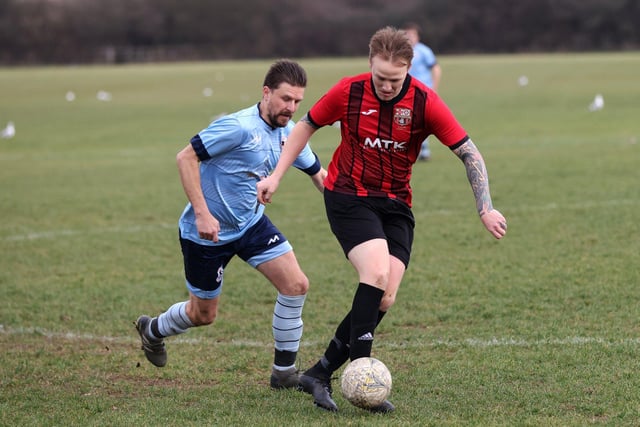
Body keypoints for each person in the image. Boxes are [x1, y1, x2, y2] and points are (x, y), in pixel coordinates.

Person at [256, 27, 507, 413]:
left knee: (385, 295)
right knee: (374, 274)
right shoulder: (348, 91)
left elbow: (469, 153)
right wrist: (275, 175)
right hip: (348, 197)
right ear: (369, 65)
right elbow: (304, 127)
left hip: (396, 204)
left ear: (408, 69)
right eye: (380, 78)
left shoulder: (424, 102)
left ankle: (319, 372)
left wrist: (485, 207)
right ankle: (363, 377)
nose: (387, 86)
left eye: (395, 79)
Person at [135, 59, 327, 391]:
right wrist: (202, 213)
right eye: (285, 99)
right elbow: (186, 157)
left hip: (251, 226)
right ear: (266, 93)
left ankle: (284, 373)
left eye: (297, 101)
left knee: (296, 285)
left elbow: (320, 177)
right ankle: (152, 330)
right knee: (203, 315)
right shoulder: (237, 127)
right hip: (206, 234)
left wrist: (359, 211)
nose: (291, 107)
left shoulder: (290, 134)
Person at [403, 21, 442, 161]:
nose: (410, 37)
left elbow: (436, 68)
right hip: (405, 91)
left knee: (419, 119)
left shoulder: (424, 51)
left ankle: (423, 150)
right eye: (407, 34)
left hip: (422, 91)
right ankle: (416, 149)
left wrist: (434, 88)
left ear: (417, 37)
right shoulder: (400, 51)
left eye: (412, 34)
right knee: (407, 119)